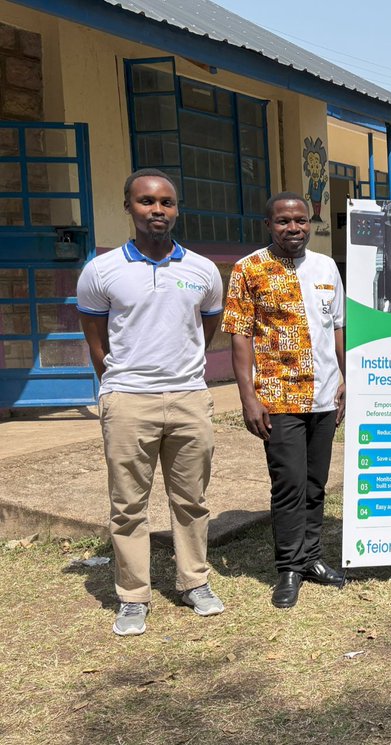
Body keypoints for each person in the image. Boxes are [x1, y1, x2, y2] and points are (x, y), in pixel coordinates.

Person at [76, 168, 225, 636]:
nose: (156, 210)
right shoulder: (101, 271)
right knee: (128, 505)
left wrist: (182, 374)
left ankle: (194, 581)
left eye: (166, 202)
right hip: (128, 402)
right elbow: (96, 339)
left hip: (188, 398)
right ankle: (133, 595)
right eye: (146, 202)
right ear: (128, 207)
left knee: (192, 499)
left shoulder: (201, 269)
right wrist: (117, 386)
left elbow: (207, 328)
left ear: (176, 209)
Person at [223, 192, 347, 609]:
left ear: (310, 222)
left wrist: (344, 378)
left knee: (315, 483)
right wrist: (248, 398)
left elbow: (337, 326)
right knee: (288, 485)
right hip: (277, 396)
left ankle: (312, 557)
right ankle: (289, 567)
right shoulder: (248, 269)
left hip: (324, 395)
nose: (293, 228)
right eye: (283, 221)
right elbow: (239, 336)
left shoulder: (327, 266)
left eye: (300, 220)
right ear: (268, 224)